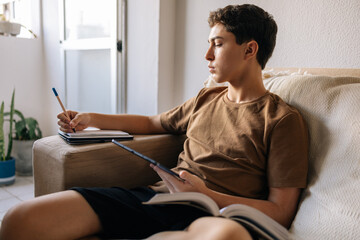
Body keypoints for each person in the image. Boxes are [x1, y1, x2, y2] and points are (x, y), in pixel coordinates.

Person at [0, 4, 308, 240]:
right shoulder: (206, 98)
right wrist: (90, 118)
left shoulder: (281, 120)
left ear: (249, 49)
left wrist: (207, 194)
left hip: (216, 216)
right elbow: (151, 122)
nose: (206, 54)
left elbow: (280, 212)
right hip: (157, 197)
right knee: (20, 220)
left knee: (228, 237)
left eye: (217, 43)